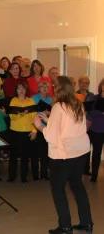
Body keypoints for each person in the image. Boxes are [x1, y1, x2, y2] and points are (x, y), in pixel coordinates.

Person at [34, 76, 93, 234]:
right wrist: (49, 119)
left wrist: (39, 125)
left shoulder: (58, 106)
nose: (53, 87)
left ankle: (65, 226)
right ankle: (87, 223)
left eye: (55, 86)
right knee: (77, 186)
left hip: (64, 155)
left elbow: (51, 136)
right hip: (80, 152)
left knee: (58, 190)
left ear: (60, 89)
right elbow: (70, 126)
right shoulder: (78, 104)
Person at [8, 81, 38, 182]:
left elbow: (35, 117)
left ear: (26, 90)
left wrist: (35, 130)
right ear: (16, 90)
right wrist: (21, 113)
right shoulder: (13, 100)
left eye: (23, 88)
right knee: (13, 155)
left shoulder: (31, 101)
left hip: (28, 131)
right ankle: (11, 176)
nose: (21, 90)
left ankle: (24, 177)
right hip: (15, 131)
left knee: (25, 156)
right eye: (19, 88)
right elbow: (11, 117)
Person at [32, 81, 53, 180]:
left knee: (46, 152)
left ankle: (44, 173)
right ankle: (35, 174)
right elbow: (31, 113)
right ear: (38, 88)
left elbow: (54, 113)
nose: (44, 88)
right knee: (36, 152)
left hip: (47, 128)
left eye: (46, 87)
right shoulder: (34, 98)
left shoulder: (51, 99)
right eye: (42, 87)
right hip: (36, 127)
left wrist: (48, 113)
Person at [87, 78, 104, 182]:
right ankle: (94, 176)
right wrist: (101, 113)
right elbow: (90, 113)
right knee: (96, 154)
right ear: (101, 86)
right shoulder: (95, 98)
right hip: (97, 130)